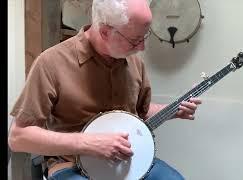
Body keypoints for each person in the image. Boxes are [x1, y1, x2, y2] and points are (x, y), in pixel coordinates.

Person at [8, 0, 202, 179]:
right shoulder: (51, 63)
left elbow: (140, 113)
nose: (142, 47)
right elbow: (19, 137)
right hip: (71, 164)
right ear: (105, 32)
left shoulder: (134, 62)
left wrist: (173, 110)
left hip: (127, 160)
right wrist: (88, 143)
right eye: (135, 40)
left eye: (145, 37)